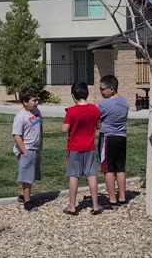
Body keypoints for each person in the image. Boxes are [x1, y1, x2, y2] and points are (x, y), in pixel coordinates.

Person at [62, 82, 102, 215]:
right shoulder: (94, 109)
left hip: (74, 147)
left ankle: (72, 206)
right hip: (89, 147)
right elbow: (98, 126)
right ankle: (95, 205)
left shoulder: (71, 111)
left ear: (73, 96)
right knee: (91, 175)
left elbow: (64, 129)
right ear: (87, 94)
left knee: (74, 176)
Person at [98, 75, 129, 210]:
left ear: (111, 89)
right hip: (122, 137)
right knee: (120, 168)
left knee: (108, 169)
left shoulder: (104, 104)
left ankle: (112, 200)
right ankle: (122, 198)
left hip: (108, 137)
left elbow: (97, 120)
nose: (101, 92)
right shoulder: (125, 101)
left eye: (102, 89)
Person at [12, 88, 43, 212]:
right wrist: (24, 151)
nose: (37, 102)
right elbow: (16, 135)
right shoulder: (20, 116)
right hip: (28, 150)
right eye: (34, 100)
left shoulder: (36, 112)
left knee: (31, 175)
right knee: (27, 177)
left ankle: (22, 195)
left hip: (36, 149)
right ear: (25, 102)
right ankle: (27, 202)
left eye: (37, 100)